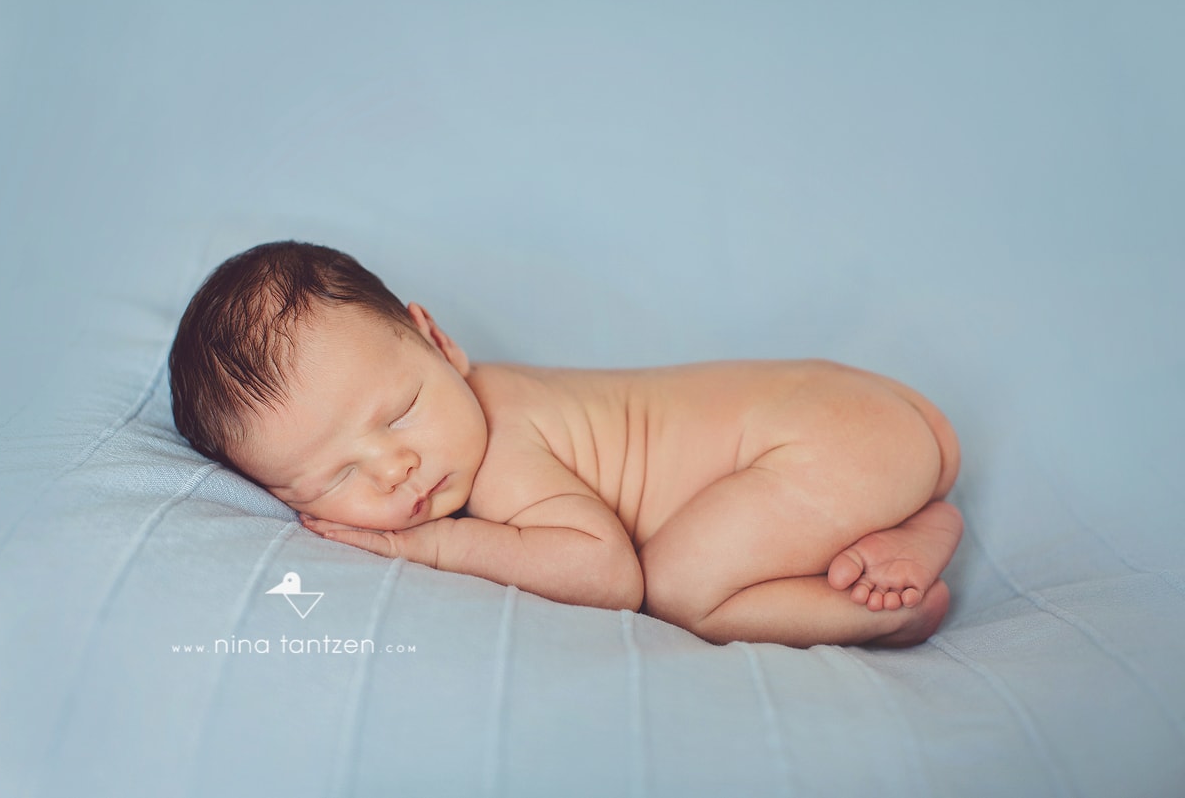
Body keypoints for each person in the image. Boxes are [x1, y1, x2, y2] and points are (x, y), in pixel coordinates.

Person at [170, 241, 963, 648]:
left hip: (832, 432)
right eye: (334, 475)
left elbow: (608, 572)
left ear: (440, 343)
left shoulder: (504, 436)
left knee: (682, 588)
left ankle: (878, 615)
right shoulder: (464, 425)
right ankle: (913, 517)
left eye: (403, 410)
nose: (393, 468)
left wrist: (444, 545)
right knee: (715, 546)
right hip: (861, 422)